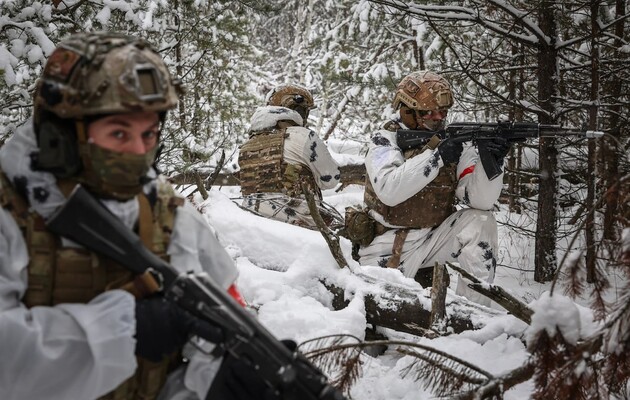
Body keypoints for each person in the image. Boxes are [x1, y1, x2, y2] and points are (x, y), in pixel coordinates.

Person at [0, 32, 245, 400]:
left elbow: (223, 314)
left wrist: (219, 379)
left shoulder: (166, 211)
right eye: (119, 132)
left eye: (149, 134)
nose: (138, 152)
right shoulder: (10, 213)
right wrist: (125, 326)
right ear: (62, 135)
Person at [352, 70, 511, 306]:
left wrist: (492, 163)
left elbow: (480, 201)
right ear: (407, 110)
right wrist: (436, 157)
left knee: (481, 221)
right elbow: (389, 190)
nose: (438, 117)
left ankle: (473, 314)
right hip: (384, 244)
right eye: (429, 112)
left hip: (431, 240)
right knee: (379, 319)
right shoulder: (384, 140)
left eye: (443, 112)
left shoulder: (453, 143)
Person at [238, 100, 342, 230]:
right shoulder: (302, 135)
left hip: (253, 222)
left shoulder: (246, 148)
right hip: (299, 224)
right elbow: (331, 179)